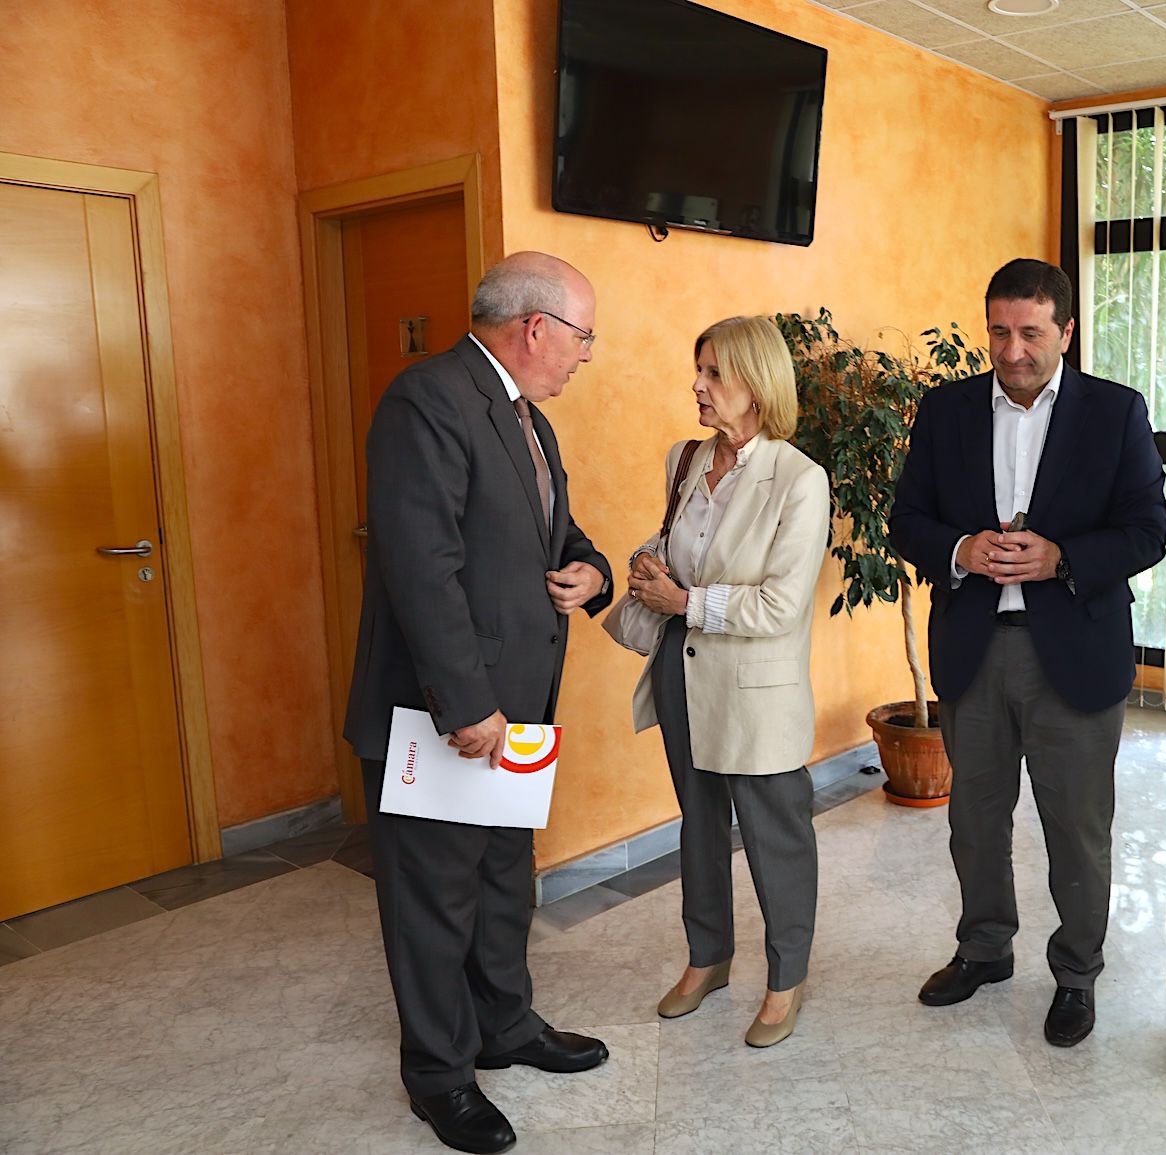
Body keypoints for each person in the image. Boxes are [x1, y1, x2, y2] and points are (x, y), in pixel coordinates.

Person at [343, 252, 615, 1154]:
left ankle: (507, 1025)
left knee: (504, 875)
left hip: (520, 702)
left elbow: (556, 533)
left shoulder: (526, 418)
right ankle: (439, 1074)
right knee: (433, 894)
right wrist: (465, 702)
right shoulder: (429, 399)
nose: (586, 354)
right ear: (534, 328)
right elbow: (422, 566)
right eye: (582, 336)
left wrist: (594, 572)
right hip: (446, 713)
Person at [888, 259, 1166, 1047]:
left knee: (1076, 827)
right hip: (974, 651)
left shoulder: (1114, 413)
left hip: (1073, 656)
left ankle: (1076, 974)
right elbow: (906, 520)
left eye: (1032, 333)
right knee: (975, 819)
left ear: (1067, 331)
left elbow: (1148, 528)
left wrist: (1064, 558)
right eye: (1000, 332)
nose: (1013, 351)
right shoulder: (944, 412)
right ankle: (984, 949)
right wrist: (960, 547)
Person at [624, 315, 830, 1049]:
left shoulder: (800, 479)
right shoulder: (685, 459)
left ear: (757, 383)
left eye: (714, 373)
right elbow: (675, 545)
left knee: (776, 835)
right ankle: (707, 957)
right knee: (699, 823)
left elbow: (780, 603)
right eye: (698, 369)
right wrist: (647, 567)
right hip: (685, 672)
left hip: (757, 690)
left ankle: (786, 978)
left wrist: (685, 602)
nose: (698, 386)